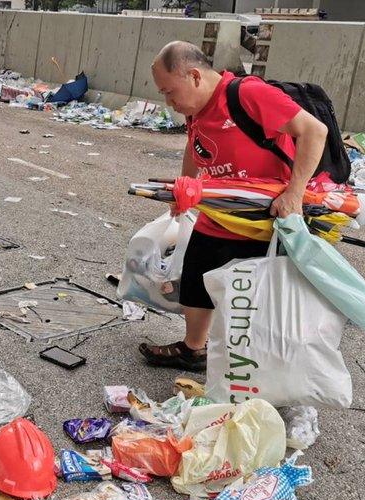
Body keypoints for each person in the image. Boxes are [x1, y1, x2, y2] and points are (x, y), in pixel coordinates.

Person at [139, 41, 329, 372]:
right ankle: (193, 349)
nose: (168, 102)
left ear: (195, 76)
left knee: (250, 299)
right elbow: (193, 144)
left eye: (169, 92)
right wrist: (184, 188)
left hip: (258, 218)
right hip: (218, 213)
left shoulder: (246, 94)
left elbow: (315, 131)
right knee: (196, 278)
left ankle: (259, 369)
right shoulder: (196, 108)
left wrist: (294, 193)